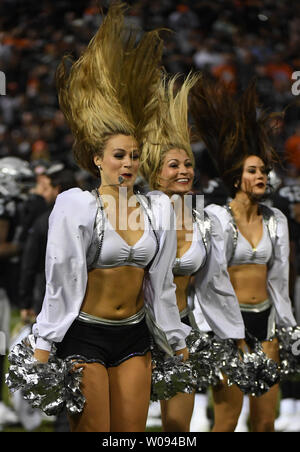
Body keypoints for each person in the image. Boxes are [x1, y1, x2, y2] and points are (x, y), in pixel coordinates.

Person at [22, 3, 189, 432]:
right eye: (119, 156)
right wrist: (43, 346)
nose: (128, 163)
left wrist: (175, 339)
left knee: (131, 435)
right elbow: (61, 279)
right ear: (98, 160)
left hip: (134, 336)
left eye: (134, 155)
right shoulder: (76, 205)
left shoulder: (156, 209)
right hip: (85, 336)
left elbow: (162, 284)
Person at [190, 77, 297, 432]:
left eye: (264, 170)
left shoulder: (276, 219)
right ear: (237, 179)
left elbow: (280, 282)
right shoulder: (217, 219)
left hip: (264, 325)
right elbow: (208, 281)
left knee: (265, 422)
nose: (262, 175)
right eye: (253, 171)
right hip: (226, 331)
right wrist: (209, 329)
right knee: (226, 422)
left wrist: (288, 326)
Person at [140, 73, 245, 432]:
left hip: (183, 328)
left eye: (187, 165)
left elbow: (215, 285)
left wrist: (233, 333)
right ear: (155, 173)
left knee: (177, 429)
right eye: (174, 165)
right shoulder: (136, 216)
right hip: (137, 329)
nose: (184, 170)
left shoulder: (205, 223)